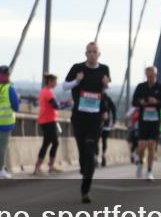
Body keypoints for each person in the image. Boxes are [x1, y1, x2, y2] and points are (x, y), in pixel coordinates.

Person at [63, 42, 111, 203]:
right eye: (89, 52)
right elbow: (64, 86)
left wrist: (105, 86)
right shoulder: (77, 68)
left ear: (99, 54)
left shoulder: (104, 69)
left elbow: (104, 90)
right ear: (85, 54)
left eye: (94, 52)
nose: (91, 54)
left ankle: (85, 191)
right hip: (79, 116)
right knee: (83, 152)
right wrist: (76, 81)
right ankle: (84, 168)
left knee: (90, 149)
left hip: (95, 118)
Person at [132, 65, 161, 181]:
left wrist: (156, 102)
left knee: (151, 145)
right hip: (143, 120)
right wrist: (141, 102)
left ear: (156, 75)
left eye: (152, 76)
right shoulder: (141, 87)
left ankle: (149, 171)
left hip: (155, 121)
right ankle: (139, 163)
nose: (150, 78)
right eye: (148, 76)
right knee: (142, 146)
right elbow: (134, 102)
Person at [0, 65, 20, 178]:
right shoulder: (9, 88)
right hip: (6, 121)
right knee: (2, 146)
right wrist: (17, 98)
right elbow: (16, 107)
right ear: (8, 74)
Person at [34, 73, 64, 175]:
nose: (56, 84)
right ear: (50, 82)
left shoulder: (44, 91)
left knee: (47, 143)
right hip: (49, 121)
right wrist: (67, 103)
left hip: (45, 120)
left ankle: (40, 166)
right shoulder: (48, 93)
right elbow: (55, 105)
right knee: (54, 143)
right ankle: (49, 166)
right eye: (55, 82)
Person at [98, 91, 116, 167]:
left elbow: (113, 109)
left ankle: (101, 155)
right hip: (99, 122)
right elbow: (114, 109)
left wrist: (114, 121)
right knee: (102, 140)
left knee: (100, 140)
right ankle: (100, 155)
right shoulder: (106, 98)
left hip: (104, 122)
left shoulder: (107, 98)